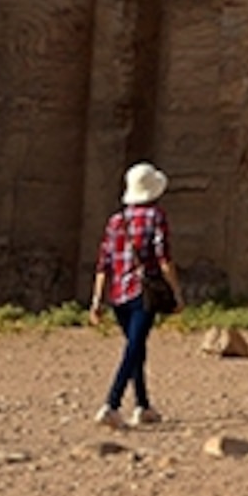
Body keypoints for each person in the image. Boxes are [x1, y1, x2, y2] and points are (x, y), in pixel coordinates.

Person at [87, 161, 184, 427]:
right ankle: (112, 403)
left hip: (118, 295)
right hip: (143, 293)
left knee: (136, 347)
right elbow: (164, 258)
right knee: (133, 349)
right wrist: (176, 292)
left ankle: (143, 406)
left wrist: (96, 300)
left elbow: (103, 263)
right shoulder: (156, 216)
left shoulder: (116, 220)